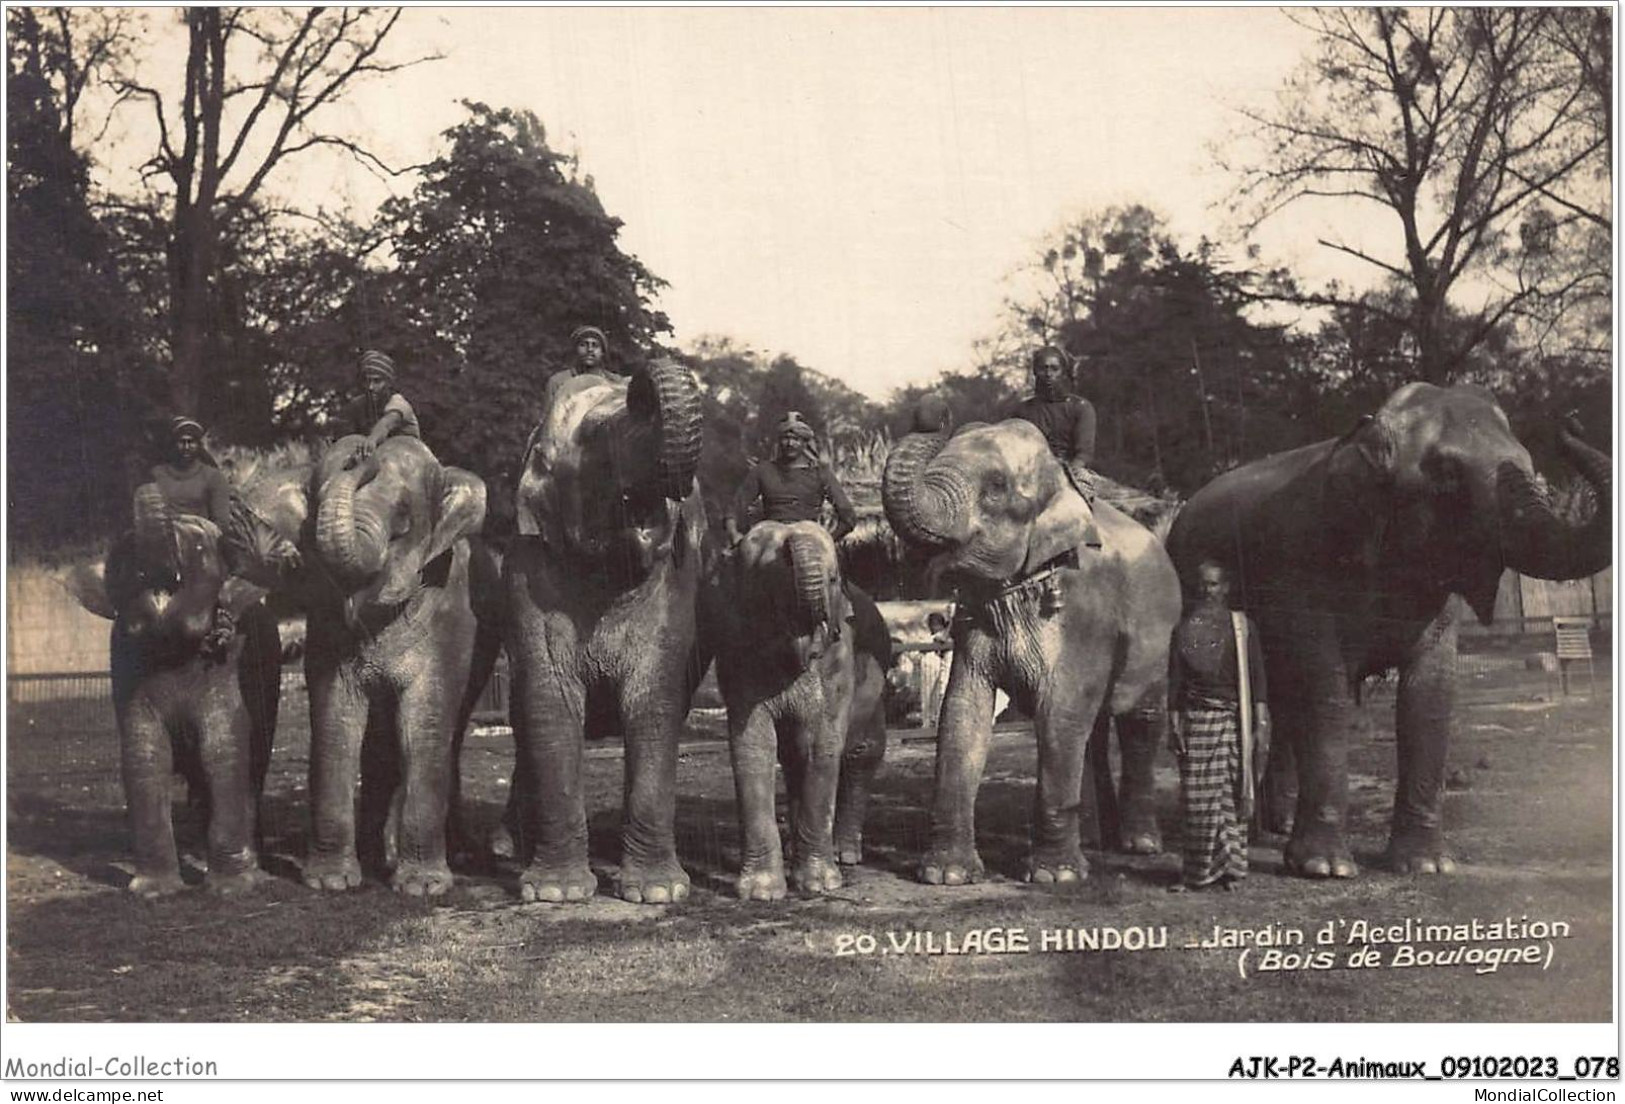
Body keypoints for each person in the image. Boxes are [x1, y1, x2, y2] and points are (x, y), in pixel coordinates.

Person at [1167, 560, 1270, 893]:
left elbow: (1256, 679)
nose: (1205, 590)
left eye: (1212, 584)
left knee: (1231, 798)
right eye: (1201, 584)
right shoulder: (1183, 629)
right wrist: (1175, 722)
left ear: (1225, 588)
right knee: (1196, 801)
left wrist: (1259, 723)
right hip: (1197, 722)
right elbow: (1175, 683)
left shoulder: (1242, 628)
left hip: (1233, 723)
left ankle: (1232, 872)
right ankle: (1196, 873)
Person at [1006, 344, 1101, 550]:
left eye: (1054, 368)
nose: (1048, 374)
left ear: (1063, 372)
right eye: (1043, 368)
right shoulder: (1022, 409)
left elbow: (1084, 452)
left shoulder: (1080, 407)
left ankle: (1087, 545)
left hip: (1069, 471)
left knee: (1079, 500)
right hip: (1028, 471)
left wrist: (1069, 473)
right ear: (1035, 372)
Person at [727, 411, 857, 546]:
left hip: (809, 535)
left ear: (805, 442)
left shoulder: (820, 473)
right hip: (770, 534)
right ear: (779, 441)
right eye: (785, 438)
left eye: (796, 439)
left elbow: (848, 517)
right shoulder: (763, 471)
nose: (790, 443)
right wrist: (734, 535)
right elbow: (735, 508)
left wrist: (827, 541)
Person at [149, 416, 233, 527]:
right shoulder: (158, 474)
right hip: (164, 538)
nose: (186, 447)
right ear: (173, 444)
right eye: (181, 442)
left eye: (191, 442)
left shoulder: (213, 477)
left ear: (199, 445)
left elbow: (222, 522)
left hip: (201, 539)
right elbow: (148, 514)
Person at [341, 349, 420, 462]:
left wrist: (372, 439)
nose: (370, 387)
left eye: (377, 381)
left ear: (389, 383)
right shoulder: (358, 405)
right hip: (379, 461)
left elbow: (386, 424)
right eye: (367, 381)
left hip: (410, 460)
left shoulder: (398, 403)